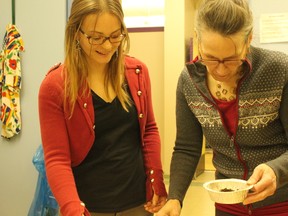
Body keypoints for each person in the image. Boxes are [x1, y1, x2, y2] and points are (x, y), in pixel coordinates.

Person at [156, 0, 288, 215]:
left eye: (231, 59)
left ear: (249, 40)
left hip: (280, 201)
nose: (220, 70)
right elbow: (186, 148)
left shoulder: (279, 70)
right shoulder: (189, 81)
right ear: (198, 38)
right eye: (210, 58)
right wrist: (175, 198)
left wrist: (277, 171)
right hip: (228, 202)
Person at [38, 0, 167, 215]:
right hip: (88, 206)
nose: (107, 46)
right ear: (76, 33)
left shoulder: (137, 72)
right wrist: (72, 208)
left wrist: (156, 178)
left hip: (138, 203)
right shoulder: (55, 86)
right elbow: (56, 159)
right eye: (96, 38)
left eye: (115, 36)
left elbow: (150, 130)